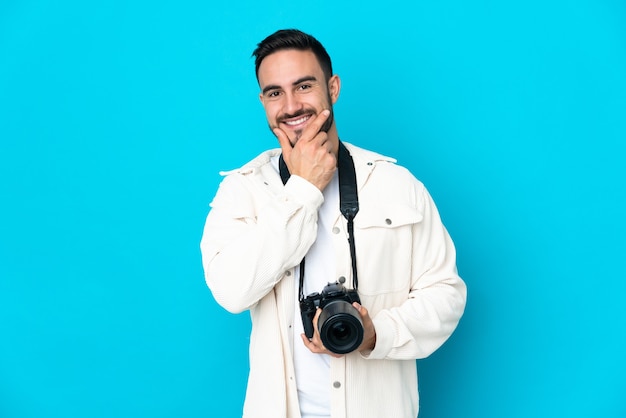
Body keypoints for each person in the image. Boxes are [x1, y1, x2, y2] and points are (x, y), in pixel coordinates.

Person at [200, 29, 467, 418]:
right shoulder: (243, 191)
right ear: (262, 101)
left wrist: (377, 333)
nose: (291, 106)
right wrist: (304, 190)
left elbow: (446, 294)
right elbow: (231, 292)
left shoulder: (396, 185)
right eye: (275, 92)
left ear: (333, 87)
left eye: (304, 86)